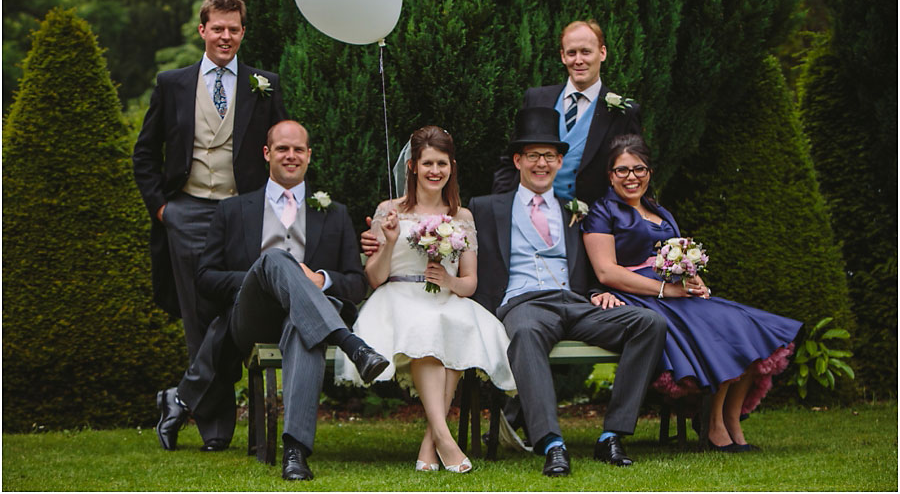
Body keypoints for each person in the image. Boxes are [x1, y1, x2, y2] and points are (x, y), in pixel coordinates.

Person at [154, 120, 389, 481]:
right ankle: (351, 344)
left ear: (309, 155)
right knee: (276, 260)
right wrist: (262, 276)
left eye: (298, 149)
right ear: (267, 154)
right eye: (282, 149)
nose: (290, 156)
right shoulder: (233, 210)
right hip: (253, 316)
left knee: (303, 324)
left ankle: (295, 452)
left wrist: (319, 280)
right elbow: (205, 278)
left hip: (307, 317)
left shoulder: (335, 213)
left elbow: (357, 283)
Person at [469, 108, 667, 477]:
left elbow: (595, 261)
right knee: (526, 333)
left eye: (549, 156)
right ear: (518, 160)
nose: (541, 163)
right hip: (523, 305)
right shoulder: (486, 208)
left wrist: (597, 292)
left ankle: (612, 435)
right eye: (533, 155)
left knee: (648, 323)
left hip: (576, 303)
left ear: (560, 161)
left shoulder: (576, 211)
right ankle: (551, 443)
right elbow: (454, 243)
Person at [582, 133, 803, 452]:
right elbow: (606, 272)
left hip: (676, 294)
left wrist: (694, 279)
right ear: (610, 175)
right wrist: (665, 290)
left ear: (650, 173)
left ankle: (731, 421)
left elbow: (678, 258)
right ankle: (714, 426)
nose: (632, 177)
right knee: (724, 327)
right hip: (641, 296)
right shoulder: (603, 213)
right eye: (623, 170)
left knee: (745, 323)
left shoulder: (659, 211)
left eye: (639, 169)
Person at [335, 126, 515, 474]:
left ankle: (430, 444)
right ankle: (445, 441)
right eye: (428, 163)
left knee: (455, 324)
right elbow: (374, 278)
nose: (435, 171)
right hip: (397, 297)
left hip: (446, 297)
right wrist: (387, 241)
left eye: (442, 164)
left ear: (452, 167)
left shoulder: (461, 217)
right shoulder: (390, 210)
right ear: (413, 166)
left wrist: (448, 280)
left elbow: (470, 283)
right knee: (429, 327)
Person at [133, 0, 288, 364]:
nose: (225, 36)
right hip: (186, 213)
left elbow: (284, 150)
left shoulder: (264, 84)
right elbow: (145, 153)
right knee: (196, 317)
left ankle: (237, 399)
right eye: (217, 28)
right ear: (202, 30)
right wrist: (162, 210)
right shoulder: (172, 84)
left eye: (233, 29)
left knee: (243, 309)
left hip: (243, 215)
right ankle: (210, 418)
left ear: (243, 33)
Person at [492, 20, 642, 206]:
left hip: (589, 223)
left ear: (602, 53)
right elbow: (510, 159)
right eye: (571, 53)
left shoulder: (624, 113)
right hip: (530, 211)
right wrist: (502, 207)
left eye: (586, 52)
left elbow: (632, 175)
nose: (578, 60)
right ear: (563, 56)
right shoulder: (536, 98)